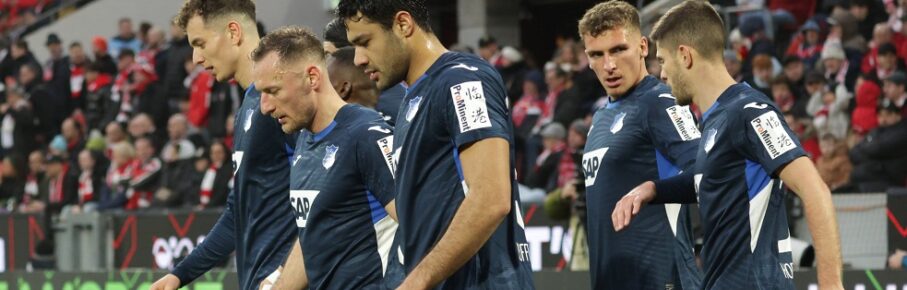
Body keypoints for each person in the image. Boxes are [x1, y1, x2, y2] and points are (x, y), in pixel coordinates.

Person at [612, 1, 844, 289]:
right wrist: (654, 189)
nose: (661, 74)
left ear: (685, 55)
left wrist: (831, 285)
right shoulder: (716, 119)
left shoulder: (750, 111)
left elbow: (814, 189)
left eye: (663, 60)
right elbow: (714, 180)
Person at [339, 1, 535, 288]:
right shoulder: (415, 97)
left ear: (403, 24)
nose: (358, 59)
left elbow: (491, 198)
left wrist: (417, 281)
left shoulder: (464, 79)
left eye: (365, 42)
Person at [149, 0, 296, 289]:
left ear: (233, 32)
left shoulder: (282, 102)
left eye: (200, 43)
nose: (196, 58)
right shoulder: (248, 107)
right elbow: (238, 210)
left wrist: (285, 275)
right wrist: (180, 274)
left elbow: (324, 196)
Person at [251, 26, 398, 289]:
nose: (265, 107)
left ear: (312, 77)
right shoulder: (305, 140)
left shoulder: (366, 136)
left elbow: (425, 228)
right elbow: (312, 233)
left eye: (273, 91)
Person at [576, 2, 702, 289]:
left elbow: (706, 174)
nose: (609, 65)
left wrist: (652, 190)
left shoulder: (660, 103)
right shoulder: (600, 117)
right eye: (597, 54)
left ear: (643, 47)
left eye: (618, 50)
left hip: (661, 279)